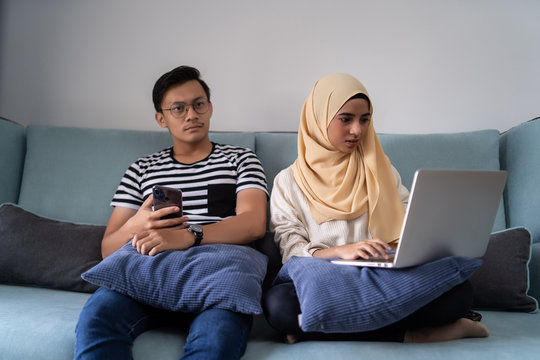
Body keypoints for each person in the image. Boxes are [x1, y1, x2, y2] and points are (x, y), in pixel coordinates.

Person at [264, 73, 489, 344]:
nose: (357, 130)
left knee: (460, 292)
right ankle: (414, 334)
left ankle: (314, 329)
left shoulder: (381, 168)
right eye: (346, 119)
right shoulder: (287, 182)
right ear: (319, 119)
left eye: (365, 120)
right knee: (278, 305)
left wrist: (418, 240)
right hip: (327, 280)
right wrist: (339, 252)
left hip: (383, 276)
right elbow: (291, 252)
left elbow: (409, 221)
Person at [74, 65, 268, 359]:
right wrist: (137, 223)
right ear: (160, 118)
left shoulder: (240, 159)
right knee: (97, 317)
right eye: (178, 108)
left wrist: (191, 235)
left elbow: (253, 224)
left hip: (218, 274)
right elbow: (108, 248)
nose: (192, 115)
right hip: (147, 272)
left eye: (199, 104)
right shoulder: (142, 169)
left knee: (216, 341)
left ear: (210, 107)